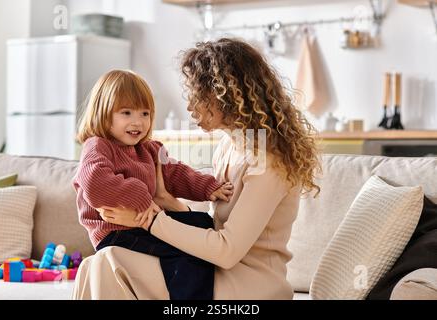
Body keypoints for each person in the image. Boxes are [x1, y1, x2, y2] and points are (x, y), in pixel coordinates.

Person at [72, 38, 321, 300]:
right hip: (211, 266)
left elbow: (226, 249)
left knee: (106, 261)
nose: (190, 106)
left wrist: (149, 219)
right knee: (97, 262)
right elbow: (214, 228)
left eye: (198, 94)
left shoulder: (268, 162)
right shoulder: (228, 147)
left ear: (225, 95)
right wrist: (168, 202)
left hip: (249, 283)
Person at [73, 69, 234, 300]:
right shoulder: (97, 146)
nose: (137, 122)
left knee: (204, 224)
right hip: (115, 232)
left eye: (145, 113)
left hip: (143, 225)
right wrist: (141, 197)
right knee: (190, 254)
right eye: (126, 113)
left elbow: (178, 173)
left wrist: (209, 187)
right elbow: (95, 184)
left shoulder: (150, 149)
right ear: (104, 114)